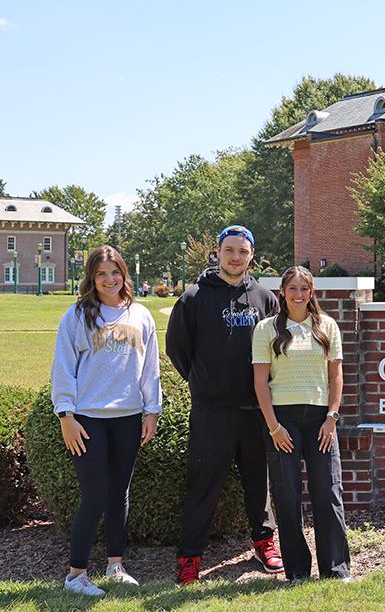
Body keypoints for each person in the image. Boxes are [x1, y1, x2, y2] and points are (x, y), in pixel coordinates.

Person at [166, 225, 283, 584]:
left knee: (258, 484)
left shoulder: (265, 299)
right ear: (217, 253)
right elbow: (178, 349)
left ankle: (264, 542)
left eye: (243, 251)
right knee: (203, 484)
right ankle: (190, 557)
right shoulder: (194, 297)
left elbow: (278, 349)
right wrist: (203, 382)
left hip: (255, 411)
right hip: (211, 411)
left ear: (252, 255)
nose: (236, 257)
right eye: (229, 250)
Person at [51, 245, 161, 596]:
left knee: (119, 494)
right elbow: (64, 368)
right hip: (87, 420)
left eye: (115, 272)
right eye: (102, 273)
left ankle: (116, 565)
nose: (110, 279)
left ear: (124, 274)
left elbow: (150, 369)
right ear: (92, 278)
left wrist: (152, 411)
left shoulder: (141, 315)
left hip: (128, 418)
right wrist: (65, 415)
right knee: (94, 495)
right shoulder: (78, 315)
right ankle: (76, 575)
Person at [253, 265, 352, 581]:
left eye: (304, 289)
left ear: (312, 293)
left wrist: (332, 417)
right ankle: (296, 570)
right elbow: (260, 383)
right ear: (282, 292)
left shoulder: (327, 327)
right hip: (283, 421)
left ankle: (336, 569)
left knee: (328, 492)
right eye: (292, 289)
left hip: (321, 421)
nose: (298, 295)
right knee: (287, 496)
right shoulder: (266, 329)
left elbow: (336, 375)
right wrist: (274, 427)